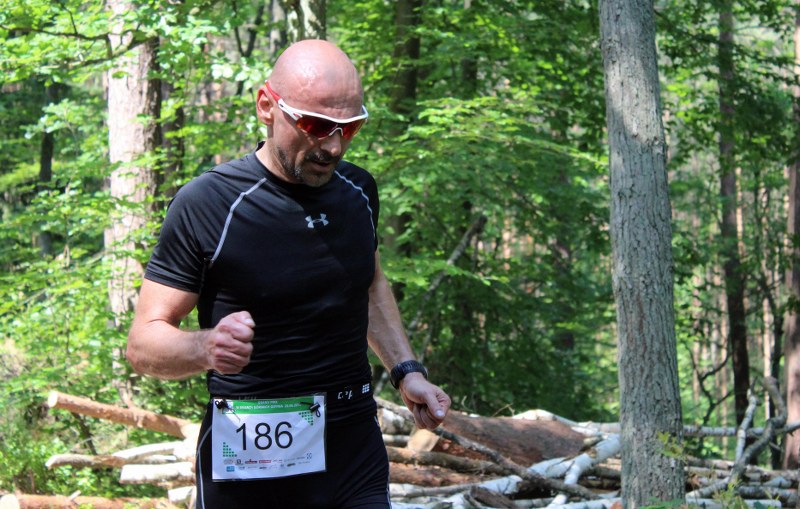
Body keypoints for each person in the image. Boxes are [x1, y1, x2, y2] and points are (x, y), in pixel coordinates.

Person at [126, 39, 451, 509]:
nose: (333, 146)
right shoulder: (208, 203)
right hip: (252, 452)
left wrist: (406, 372)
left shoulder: (358, 191)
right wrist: (205, 347)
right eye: (317, 125)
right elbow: (143, 344)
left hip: (352, 444)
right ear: (266, 106)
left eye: (350, 127)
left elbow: (368, 284)